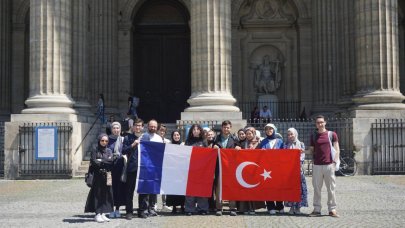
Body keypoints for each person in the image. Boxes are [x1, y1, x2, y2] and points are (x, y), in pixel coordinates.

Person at [309, 115, 340, 218]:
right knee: (317, 189)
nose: (320, 124)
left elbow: (336, 149)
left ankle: (332, 209)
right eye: (318, 122)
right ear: (316, 124)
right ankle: (317, 209)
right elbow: (311, 150)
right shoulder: (313, 135)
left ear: (325, 122)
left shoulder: (332, 134)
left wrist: (335, 162)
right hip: (317, 165)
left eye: (321, 122)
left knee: (331, 188)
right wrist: (300, 151)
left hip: (329, 165)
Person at [84, 133, 114, 223]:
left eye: (106, 141)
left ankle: (103, 213)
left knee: (107, 194)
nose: (104, 142)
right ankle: (97, 213)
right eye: (102, 140)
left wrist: (101, 160)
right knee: (98, 194)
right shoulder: (95, 149)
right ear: (99, 140)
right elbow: (94, 162)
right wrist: (105, 161)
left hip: (108, 175)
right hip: (98, 175)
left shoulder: (109, 150)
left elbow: (111, 161)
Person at [139, 119, 164, 217]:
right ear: (147, 126)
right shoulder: (143, 136)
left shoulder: (159, 138)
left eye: (154, 126)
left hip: (155, 166)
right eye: (151, 126)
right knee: (145, 189)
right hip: (145, 166)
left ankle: (152, 208)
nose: (153, 128)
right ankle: (143, 209)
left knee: (154, 188)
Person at [257, 123, 284, 215]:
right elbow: (257, 154)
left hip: (278, 168)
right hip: (266, 169)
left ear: (274, 130)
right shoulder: (263, 142)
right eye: (267, 129)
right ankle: (270, 206)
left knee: (278, 187)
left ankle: (280, 206)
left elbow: (285, 154)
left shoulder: (280, 141)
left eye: (270, 129)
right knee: (268, 187)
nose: (269, 131)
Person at [237, 127, 265, 215]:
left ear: (253, 134)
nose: (249, 135)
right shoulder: (242, 143)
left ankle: (252, 208)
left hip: (254, 169)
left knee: (253, 189)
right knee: (244, 189)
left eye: (250, 134)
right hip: (244, 169)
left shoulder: (259, 143)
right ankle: (245, 208)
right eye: (247, 134)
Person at [213, 120, 238, 216]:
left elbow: (238, 146)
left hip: (231, 167)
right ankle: (219, 207)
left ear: (230, 128)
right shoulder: (217, 138)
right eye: (224, 127)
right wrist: (214, 146)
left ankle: (232, 207)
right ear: (222, 128)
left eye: (228, 127)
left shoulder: (234, 138)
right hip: (219, 166)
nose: (226, 129)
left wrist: (238, 147)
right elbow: (212, 147)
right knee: (219, 187)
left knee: (231, 187)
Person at [184, 124, 209, 216]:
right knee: (190, 189)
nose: (195, 131)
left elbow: (208, 155)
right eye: (193, 129)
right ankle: (189, 209)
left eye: (197, 129)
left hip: (202, 170)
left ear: (200, 131)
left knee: (202, 189)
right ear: (191, 131)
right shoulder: (188, 141)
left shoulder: (204, 141)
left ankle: (202, 208)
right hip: (191, 169)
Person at [122, 118, 144, 220]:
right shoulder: (127, 138)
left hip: (143, 168)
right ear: (133, 126)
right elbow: (123, 151)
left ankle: (141, 211)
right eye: (136, 125)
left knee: (143, 191)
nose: (138, 127)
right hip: (132, 167)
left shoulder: (146, 138)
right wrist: (133, 144)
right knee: (129, 191)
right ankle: (129, 212)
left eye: (140, 125)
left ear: (142, 127)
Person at [284, 128, 308, 215]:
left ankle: (298, 207)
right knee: (290, 189)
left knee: (299, 189)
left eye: (291, 134)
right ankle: (291, 206)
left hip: (298, 170)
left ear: (295, 134)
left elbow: (302, 157)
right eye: (288, 135)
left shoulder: (301, 144)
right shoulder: (286, 144)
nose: (290, 136)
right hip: (289, 171)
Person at [107, 122, 126, 219]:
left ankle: (117, 209)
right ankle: (110, 209)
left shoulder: (123, 139)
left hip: (119, 167)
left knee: (119, 188)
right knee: (110, 189)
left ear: (120, 129)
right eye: (114, 128)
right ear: (111, 129)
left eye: (118, 128)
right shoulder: (107, 139)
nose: (116, 130)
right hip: (110, 168)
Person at [166, 130, 186, 214]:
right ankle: (174, 206)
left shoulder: (184, 145)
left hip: (181, 170)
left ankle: (182, 206)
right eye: (175, 135)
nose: (176, 136)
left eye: (178, 135)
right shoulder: (169, 145)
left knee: (181, 189)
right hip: (173, 170)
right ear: (172, 136)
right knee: (173, 189)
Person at [157, 123, 172, 212]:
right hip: (156, 164)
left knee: (164, 186)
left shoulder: (168, 141)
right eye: (161, 130)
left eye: (163, 131)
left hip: (165, 164)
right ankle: (154, 204)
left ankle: (164, 204)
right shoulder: (154, 140)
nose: (162, 132)